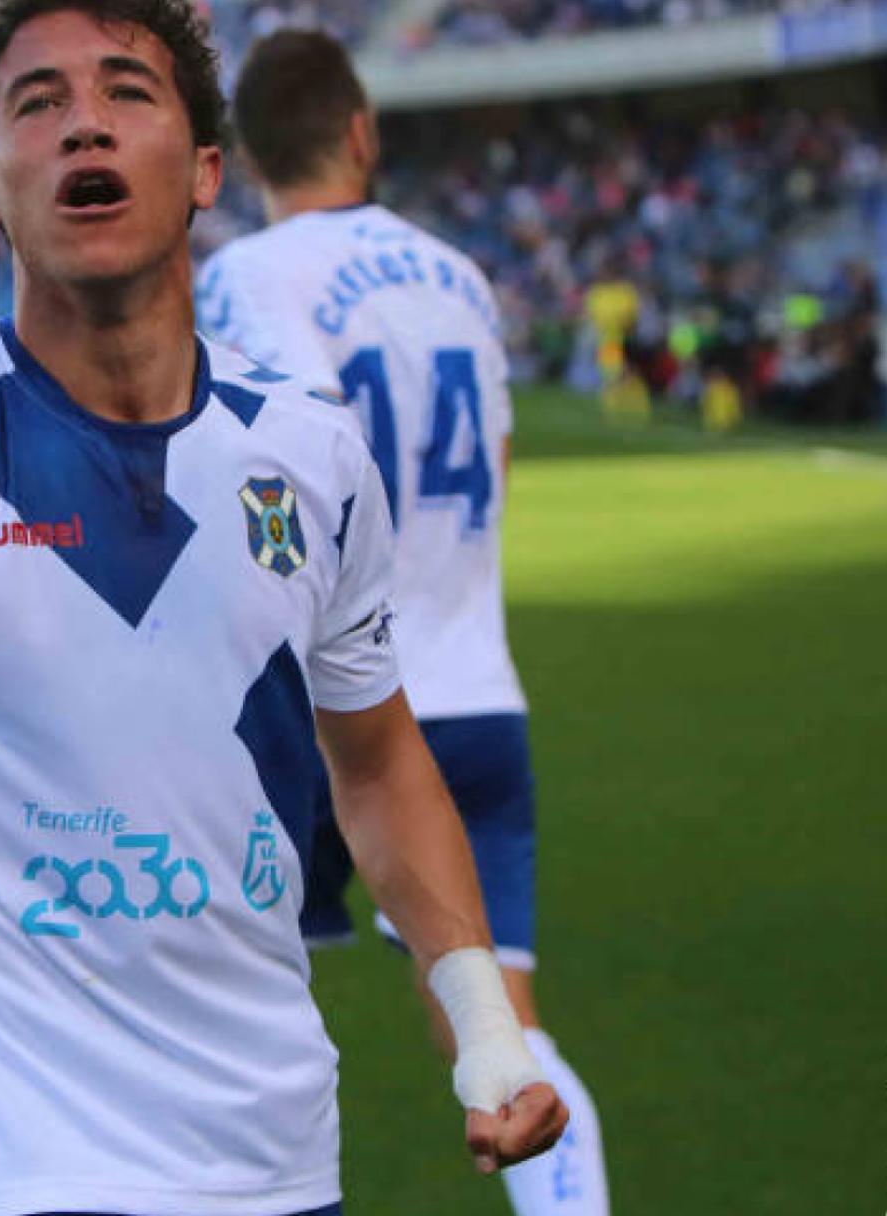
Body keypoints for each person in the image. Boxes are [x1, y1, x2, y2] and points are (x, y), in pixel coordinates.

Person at [0, 4, 565, 1214]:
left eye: (128, 91)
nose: (85, 123)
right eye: (38, 103)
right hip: (19, 1175)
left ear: (205, 171)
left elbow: (382, 764)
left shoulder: (311, 454)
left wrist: (489, 1031)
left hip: (281, 1167)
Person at [196, 29, 610, 1216]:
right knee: (506, 1051)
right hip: (480, 692)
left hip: (343, 720)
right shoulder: (457, 275)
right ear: (362, 131)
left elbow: (298, 468)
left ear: (242, 154)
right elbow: (503, 458)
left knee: (203, 1008)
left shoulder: (250, 277)